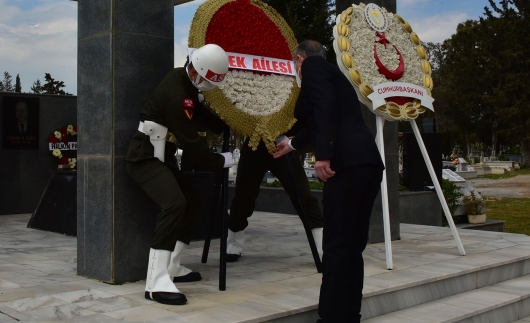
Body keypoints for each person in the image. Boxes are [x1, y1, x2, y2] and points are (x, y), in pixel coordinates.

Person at [274, 40, 384, 323]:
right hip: (367, 164)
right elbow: (323, 118)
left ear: (300, 60)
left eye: (295, 66)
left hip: (344, 166)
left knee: (335, 246)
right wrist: (293, 144)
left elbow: (323, 107)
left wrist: (323, 155)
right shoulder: (333, 75)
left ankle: (331, 318)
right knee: (351, 248)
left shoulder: (312, 67)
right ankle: (349, 315)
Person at [126, 44, 234, 306]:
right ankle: (156, 280)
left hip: (162, 157)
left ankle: (172, 265)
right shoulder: (177, 93)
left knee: (194, 203)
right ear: (195, 72)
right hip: (145, 158)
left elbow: (197, 111)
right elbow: (190, 141)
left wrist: (225, 123)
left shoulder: (184, 80)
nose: (206, 87)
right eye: (205, 81)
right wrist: (221, 160)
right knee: (175, 203)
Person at [225, 130, 324, 262]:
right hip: (254, 144)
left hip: (283, 144)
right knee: (243, 198)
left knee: (303, 197)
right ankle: (234, 243)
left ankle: (322, 248)